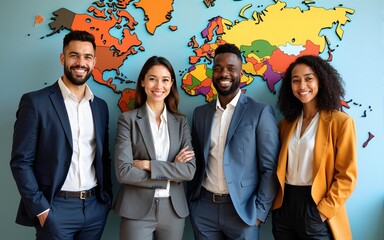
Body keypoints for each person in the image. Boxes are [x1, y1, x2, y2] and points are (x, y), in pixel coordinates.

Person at [9, 30, 113, 240]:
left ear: (94, 62)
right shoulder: (36, 103)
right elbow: (21, 162)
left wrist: (106, 199)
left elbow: (103, 157)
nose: (80, 62)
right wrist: (41, 209)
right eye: (74, 55)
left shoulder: (100, 107)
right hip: (55, 208)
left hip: (94, 209)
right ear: (63, 58)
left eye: (87, 57)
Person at [187, 43, 279, 240]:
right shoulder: (200, 114)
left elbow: (269, 169)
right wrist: (193, 204)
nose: (224, 74)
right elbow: (196, 162)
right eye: (218, 68)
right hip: (204, 210)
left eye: (231, 69)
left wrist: (259, 214)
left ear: (241, 73)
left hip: (243, 213)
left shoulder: (260, 112)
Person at [272, 55, 358, 240]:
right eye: (296, 81)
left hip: (316, 205)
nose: (302, 86)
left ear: (321, 80)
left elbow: (347, 176)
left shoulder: (341, 122)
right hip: (284, 206)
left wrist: (322, 212)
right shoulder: (285, 125)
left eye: (308, 78)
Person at [113, 56, 196, 240]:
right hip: (136, 209)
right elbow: (123, 172)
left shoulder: (181, 122)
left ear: (171, 83)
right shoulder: (128, 120)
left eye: (165, 80)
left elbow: (189, 171)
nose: (159, 86)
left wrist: (147, 164)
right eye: (152, 78)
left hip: (173, 211)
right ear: (142, 81)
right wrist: (170, 172)